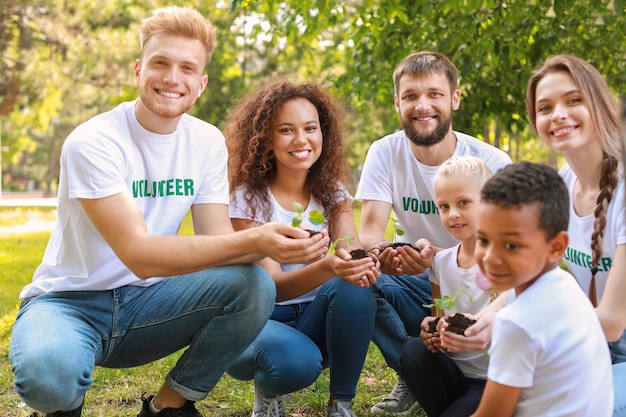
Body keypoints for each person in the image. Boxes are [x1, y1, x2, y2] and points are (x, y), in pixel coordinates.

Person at [8, 7, 331, 417]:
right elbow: (138, 256)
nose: (172, 78)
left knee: (254, 285)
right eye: (160, 63)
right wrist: (256, 239)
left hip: (152, 305)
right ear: (139, 70)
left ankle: (170, 405)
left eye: (187, 68)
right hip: (70, 302)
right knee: (49, 376)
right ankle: (64, 402)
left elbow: (218, 243)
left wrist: (278, 243)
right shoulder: (93, 142)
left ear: (201, 83)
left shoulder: (206, 141)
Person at [354, 50, 511, 414]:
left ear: (454, 98)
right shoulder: (384, 152)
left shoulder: (492, 163)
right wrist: (388, 256)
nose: (422, 105)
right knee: (361, 277)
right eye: (410, 96)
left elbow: (516, 260)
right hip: (425, 277)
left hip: (485, 287)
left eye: (434, 94)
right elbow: (369, 234)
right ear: (397, 102)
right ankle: (411, 374)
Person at [223, 79, 380, 417]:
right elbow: (275, 289)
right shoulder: (246, 199)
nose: (301, 140)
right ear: (265, 138)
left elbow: (350, 255)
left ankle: (341, 404)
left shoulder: (333, 192)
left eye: (310, 128)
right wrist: (328, 267)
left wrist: (369, 260)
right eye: (286, 130)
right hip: (259, 320)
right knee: (295, 363)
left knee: (354, 284)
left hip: (316, 316)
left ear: (323, 133)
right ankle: (268, 392)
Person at [470, 161, 613, 417]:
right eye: (483, 240)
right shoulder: (565, 285)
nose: (490, 257)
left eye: (511, 245)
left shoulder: (516, 325)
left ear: (557, 247)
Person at [526, 54, 626, 417]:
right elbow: (533, 276)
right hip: (595, 338)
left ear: (598, 103)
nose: (559, 115)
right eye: (545, 107)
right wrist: (481, 322)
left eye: (573, 100)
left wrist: (519, 329)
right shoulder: (561, 187)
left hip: (607, 333)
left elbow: (614, 321)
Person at [401, 156, 494, 417]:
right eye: (443, 206)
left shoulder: (503, 260)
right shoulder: (441, 262)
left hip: (495, 381)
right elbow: (439, 317)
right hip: (455, 374)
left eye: (463, 202)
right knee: (414, 350)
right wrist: (431, 331)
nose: (452, 214)